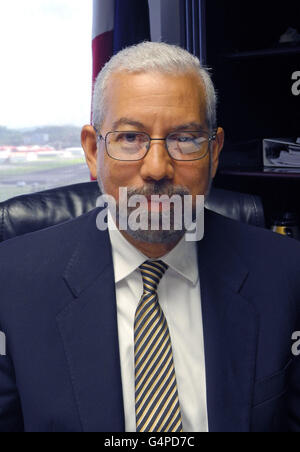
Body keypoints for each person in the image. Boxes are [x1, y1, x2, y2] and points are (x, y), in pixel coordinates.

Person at [0, 42, 300, 433]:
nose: (157, 168)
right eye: (129, 138)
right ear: (93, 151)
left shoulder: (288, 274)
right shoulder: (11, 283)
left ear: (215, 152)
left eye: (186, 138)